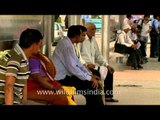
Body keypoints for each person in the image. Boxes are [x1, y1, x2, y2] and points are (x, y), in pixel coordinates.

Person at [51, 25, 104, 106]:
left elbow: (77, 63)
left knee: (92, 84)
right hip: (61, 78)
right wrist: (90, 78)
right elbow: (73, 68)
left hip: (67, 75)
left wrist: (90, 75)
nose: (84, 37)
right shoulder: (67, 46)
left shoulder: (68, 43)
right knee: (91, 85)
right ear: (76, 36)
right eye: (82, 35)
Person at [0, 28, 43, 105]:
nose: (40, 49)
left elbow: (24, 81)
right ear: (33, 45)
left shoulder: (22, 56)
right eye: (39, 45)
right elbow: (9, 87)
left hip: (18, 100)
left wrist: (25, 102)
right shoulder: (15, 59)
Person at [79, 22, 118, 102]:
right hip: (84, 67)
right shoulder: (81, 40)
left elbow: (98, 55)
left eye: (95, 29)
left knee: (109, 72)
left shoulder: (93, 40)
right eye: (92, 29)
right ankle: (95, 100)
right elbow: (77, 56)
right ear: (86, 30)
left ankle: (108, 96)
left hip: (93, 66)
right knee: (96, 74)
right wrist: (86, 65)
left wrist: (106, 65)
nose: (94, 31)